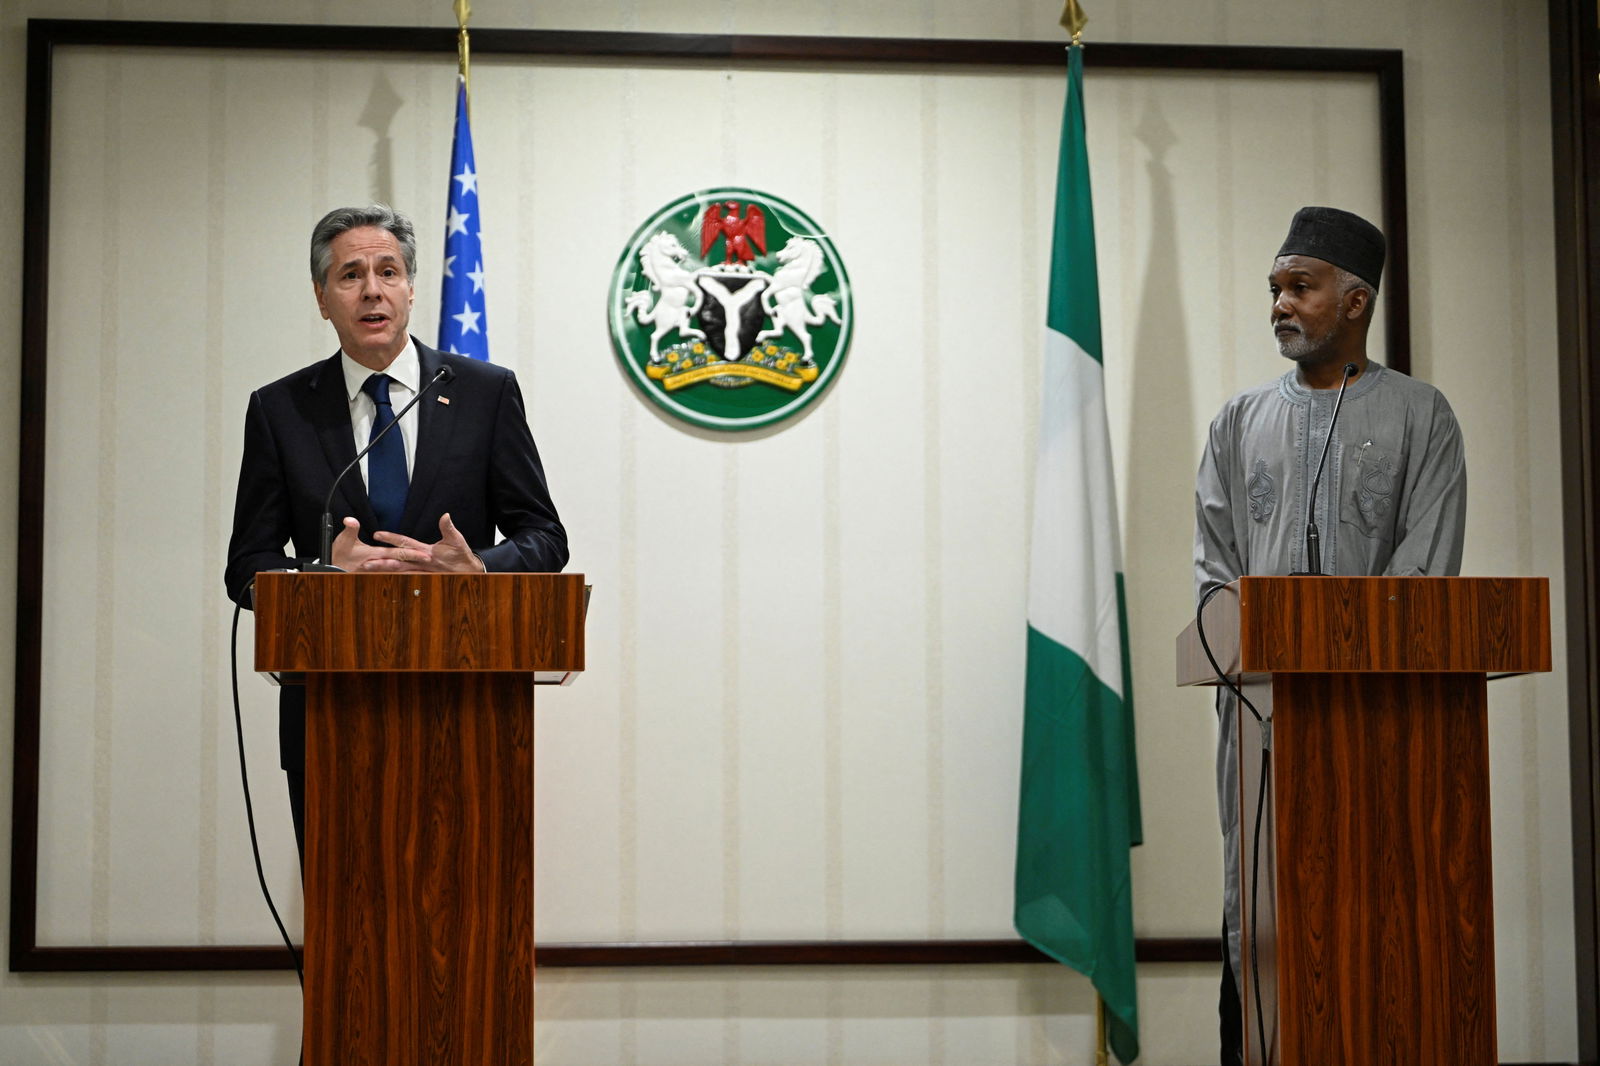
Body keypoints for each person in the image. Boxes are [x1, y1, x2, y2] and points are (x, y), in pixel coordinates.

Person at [1192, 206, 1466, 1064]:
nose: (1279, 303)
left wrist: (1345, 640)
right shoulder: (1238, 422)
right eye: (1274, 288)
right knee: (1267, 914)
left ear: (1354, 302)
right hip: (1264, 724)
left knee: (1378, 932)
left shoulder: (1423, 417)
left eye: (1299, 287)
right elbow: (1215, 579)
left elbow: (1426, 572)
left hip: (1379, 726)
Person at [224, 204, 568, 861]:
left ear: (412, 288)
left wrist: (480, 569)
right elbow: (247, 565)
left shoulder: (485, 393)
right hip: (329, 714)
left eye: (388, 271)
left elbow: (544, 537)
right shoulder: (280, 410)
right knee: (343, 919)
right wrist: (325, 576)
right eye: (350, 275)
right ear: (323, 298)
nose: (372, 289)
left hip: (467, 710)